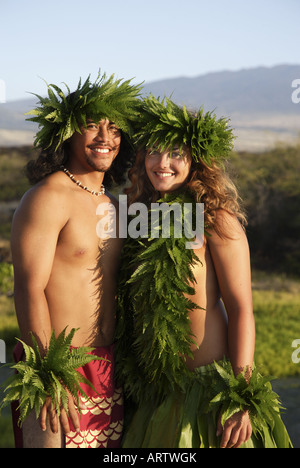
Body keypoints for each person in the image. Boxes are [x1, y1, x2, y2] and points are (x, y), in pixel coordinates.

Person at [115, 95, 293, 448]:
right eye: (153, 151)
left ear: (196, 161)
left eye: (176, 153)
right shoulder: (138, 218)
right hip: (155, 395)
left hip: (209, 393)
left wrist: (240, 396)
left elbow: (241, 308)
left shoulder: (216, 219)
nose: (162, 163)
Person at [10, 72, 142, 448]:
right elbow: (28, 288)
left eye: (114, 128)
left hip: (108, 367)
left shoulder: (116, 207)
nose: (105, 137)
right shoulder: (47, 197)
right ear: (67, 133)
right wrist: (50, 374)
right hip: (57, 360)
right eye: (91, 126)